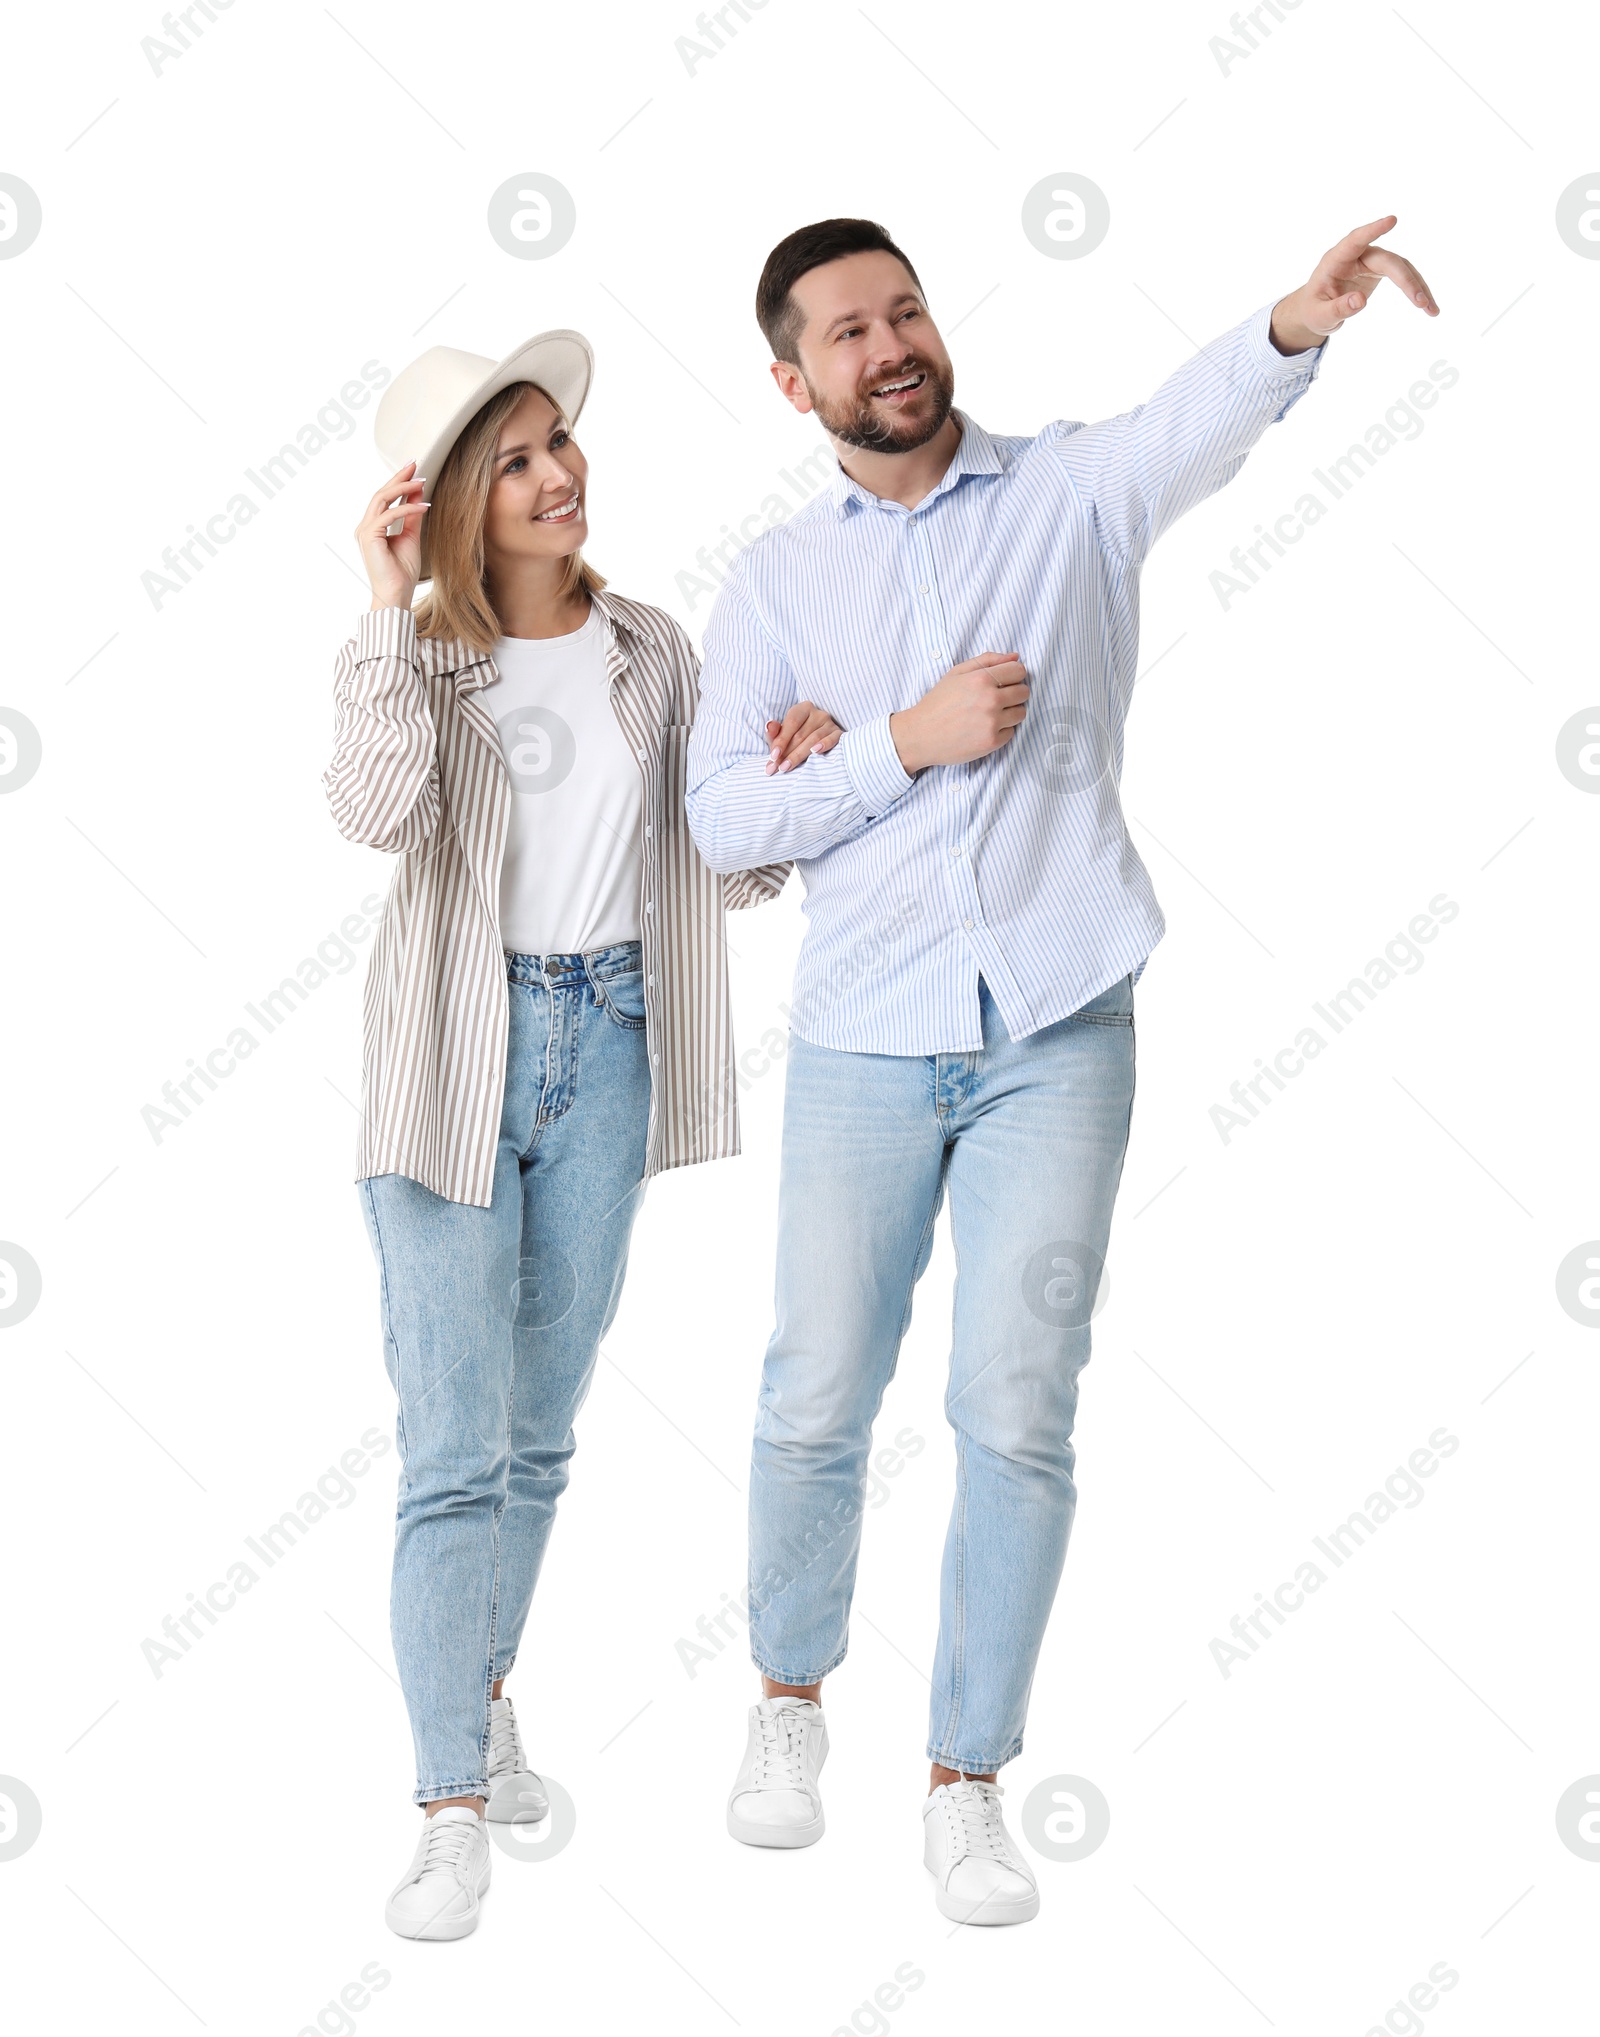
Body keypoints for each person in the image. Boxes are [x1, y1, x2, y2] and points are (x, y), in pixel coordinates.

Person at [686, 215, 1438, 1925]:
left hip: (1057, 1025)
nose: (889, 346)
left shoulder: (1071, 495)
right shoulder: (776, 584)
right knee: (816, 1397)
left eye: (905, 311)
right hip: (866, 1041)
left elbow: (1194, 416)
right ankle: (788, 1701)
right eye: (847, 332)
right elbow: (722, 814)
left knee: (1015, 1409)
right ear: (792, 379)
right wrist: (897, 741)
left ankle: (967, 1777)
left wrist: (1294, 323)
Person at [324, 328, 839, 1941]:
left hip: (611, 1040)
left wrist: (798, 772)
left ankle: (477, 1693)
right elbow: (374, 810)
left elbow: (717, 862)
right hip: (451, 1057)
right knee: (446, 1448)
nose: (561, 473)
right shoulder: (423, 656)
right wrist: (384, 608)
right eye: (522, 457)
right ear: (460, 501)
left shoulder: (651, 649)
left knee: (537, 1434)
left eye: (561, 444)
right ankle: (446, 1803)